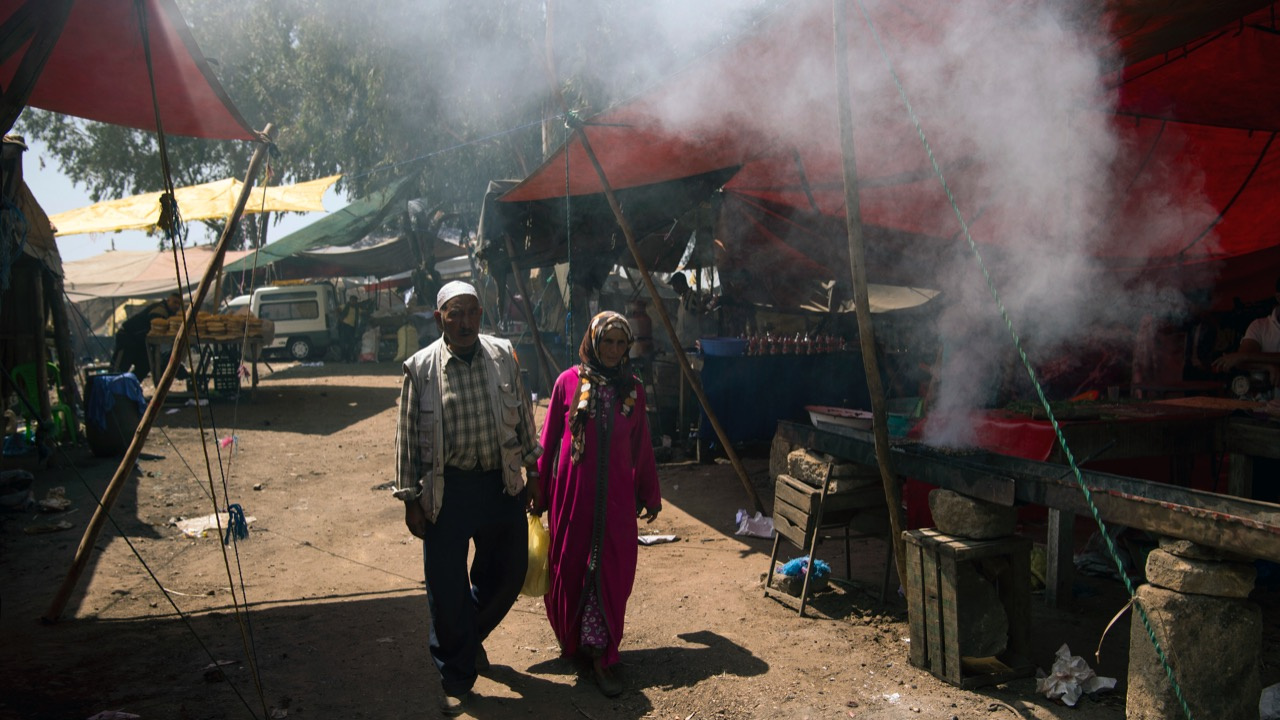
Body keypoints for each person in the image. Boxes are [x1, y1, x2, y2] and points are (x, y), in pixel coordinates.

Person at [392, 280, 541, 716]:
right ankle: (455, 673)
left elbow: (524, 419)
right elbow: (404, 437)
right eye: (455, 313)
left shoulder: (501, 354)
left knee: (510, 572)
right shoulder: (419, 367)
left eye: (472, 312)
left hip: (500, 483)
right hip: (447, 488)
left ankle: (466, 637)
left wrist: (534, 471)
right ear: (439, 318)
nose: (465, 321)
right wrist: (409, 499)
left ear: (482, 314)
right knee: (446, 584)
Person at [534, 311, 662, 697]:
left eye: (621, 343)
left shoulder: (632, 389)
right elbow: (549, 439)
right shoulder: (566, 383)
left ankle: (603, 656)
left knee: (612, 572)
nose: (614, 350)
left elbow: (641, 446)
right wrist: (536, 489)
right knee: (571, 566)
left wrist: (649, 492)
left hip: (618, 501)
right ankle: (577, 641)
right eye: (608, 341)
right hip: (573, 498)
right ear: (593, 341)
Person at [1213, 277, 1280, 387]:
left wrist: (1245, 356)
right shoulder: (1259, 326)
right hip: (1264, 399)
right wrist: (1269, 366)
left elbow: (1242, 357)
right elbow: (1240, 362)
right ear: (1278, 297)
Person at [112, 292, 181, 382]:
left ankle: (130, 385)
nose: (177, 306)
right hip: (127, 336)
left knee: (146, 364)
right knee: (120, 367)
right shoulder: (160, 310)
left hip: (140, 341)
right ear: (168, 301)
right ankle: (112, 389)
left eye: (179, 304)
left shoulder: (169, 314)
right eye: (174, 302)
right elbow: (156, 325)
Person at [339, 294, 361, 362]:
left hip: (352, 327)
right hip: (345, 326)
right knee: (345, 343)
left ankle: (348, 358)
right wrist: (340, 318)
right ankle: (344, 358)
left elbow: (363, 312)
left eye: (355, 301)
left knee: (350, 344)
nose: (353, 302)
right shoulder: (345, 306)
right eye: (352, 301)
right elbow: (337, 309)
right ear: (350, 300)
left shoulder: (357, 309)